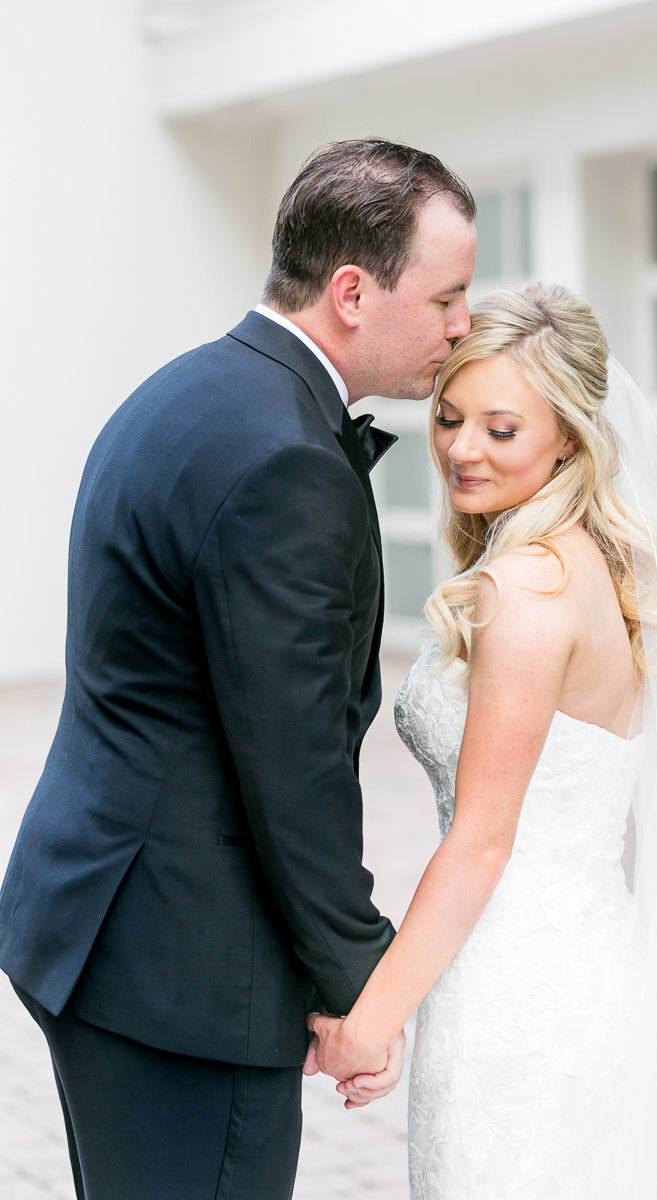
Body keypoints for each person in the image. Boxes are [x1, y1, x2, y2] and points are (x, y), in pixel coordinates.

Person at [0, 138, 477, 1200]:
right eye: (447, 296)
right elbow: (291, 766)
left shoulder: (193, 389)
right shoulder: (287, 460)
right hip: (180, 969)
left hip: (98, 920)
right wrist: (362, 984)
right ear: (353, 291)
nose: (460, 324)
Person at [307, 283, 657, 1197]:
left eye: (502, 429)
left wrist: (371, 1020)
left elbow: (484, 839)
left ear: (570, 435)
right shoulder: (594, 562)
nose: (461, 448)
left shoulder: (523, 589)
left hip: (516, 999)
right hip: (583, 961)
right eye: (450, 417)